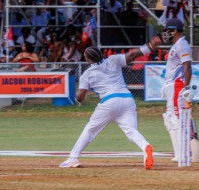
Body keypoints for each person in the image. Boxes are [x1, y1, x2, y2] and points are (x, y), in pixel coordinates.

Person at [59, 39, 162, 169]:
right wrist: (149, 47)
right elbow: (131, 55)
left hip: (109, 101)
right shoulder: (113, 60)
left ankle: (72, 159)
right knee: (131, 131)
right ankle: (145, 146)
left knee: (90, 130)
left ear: (88, 60)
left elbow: (80, 97)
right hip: (127, 99)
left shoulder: (87, 74)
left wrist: (75, 97)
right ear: (100, 54)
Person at [160, 18, 199, 163]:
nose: (166, 34)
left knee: (175, 118)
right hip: (172, 85)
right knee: (170, 119)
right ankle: (179, 153)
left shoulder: (182, 45)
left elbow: (187, 67)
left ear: (175, 31)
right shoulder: (176, 45)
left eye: (168, 31)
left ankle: (185, 152)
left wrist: (186, 87)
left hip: (177, 85)